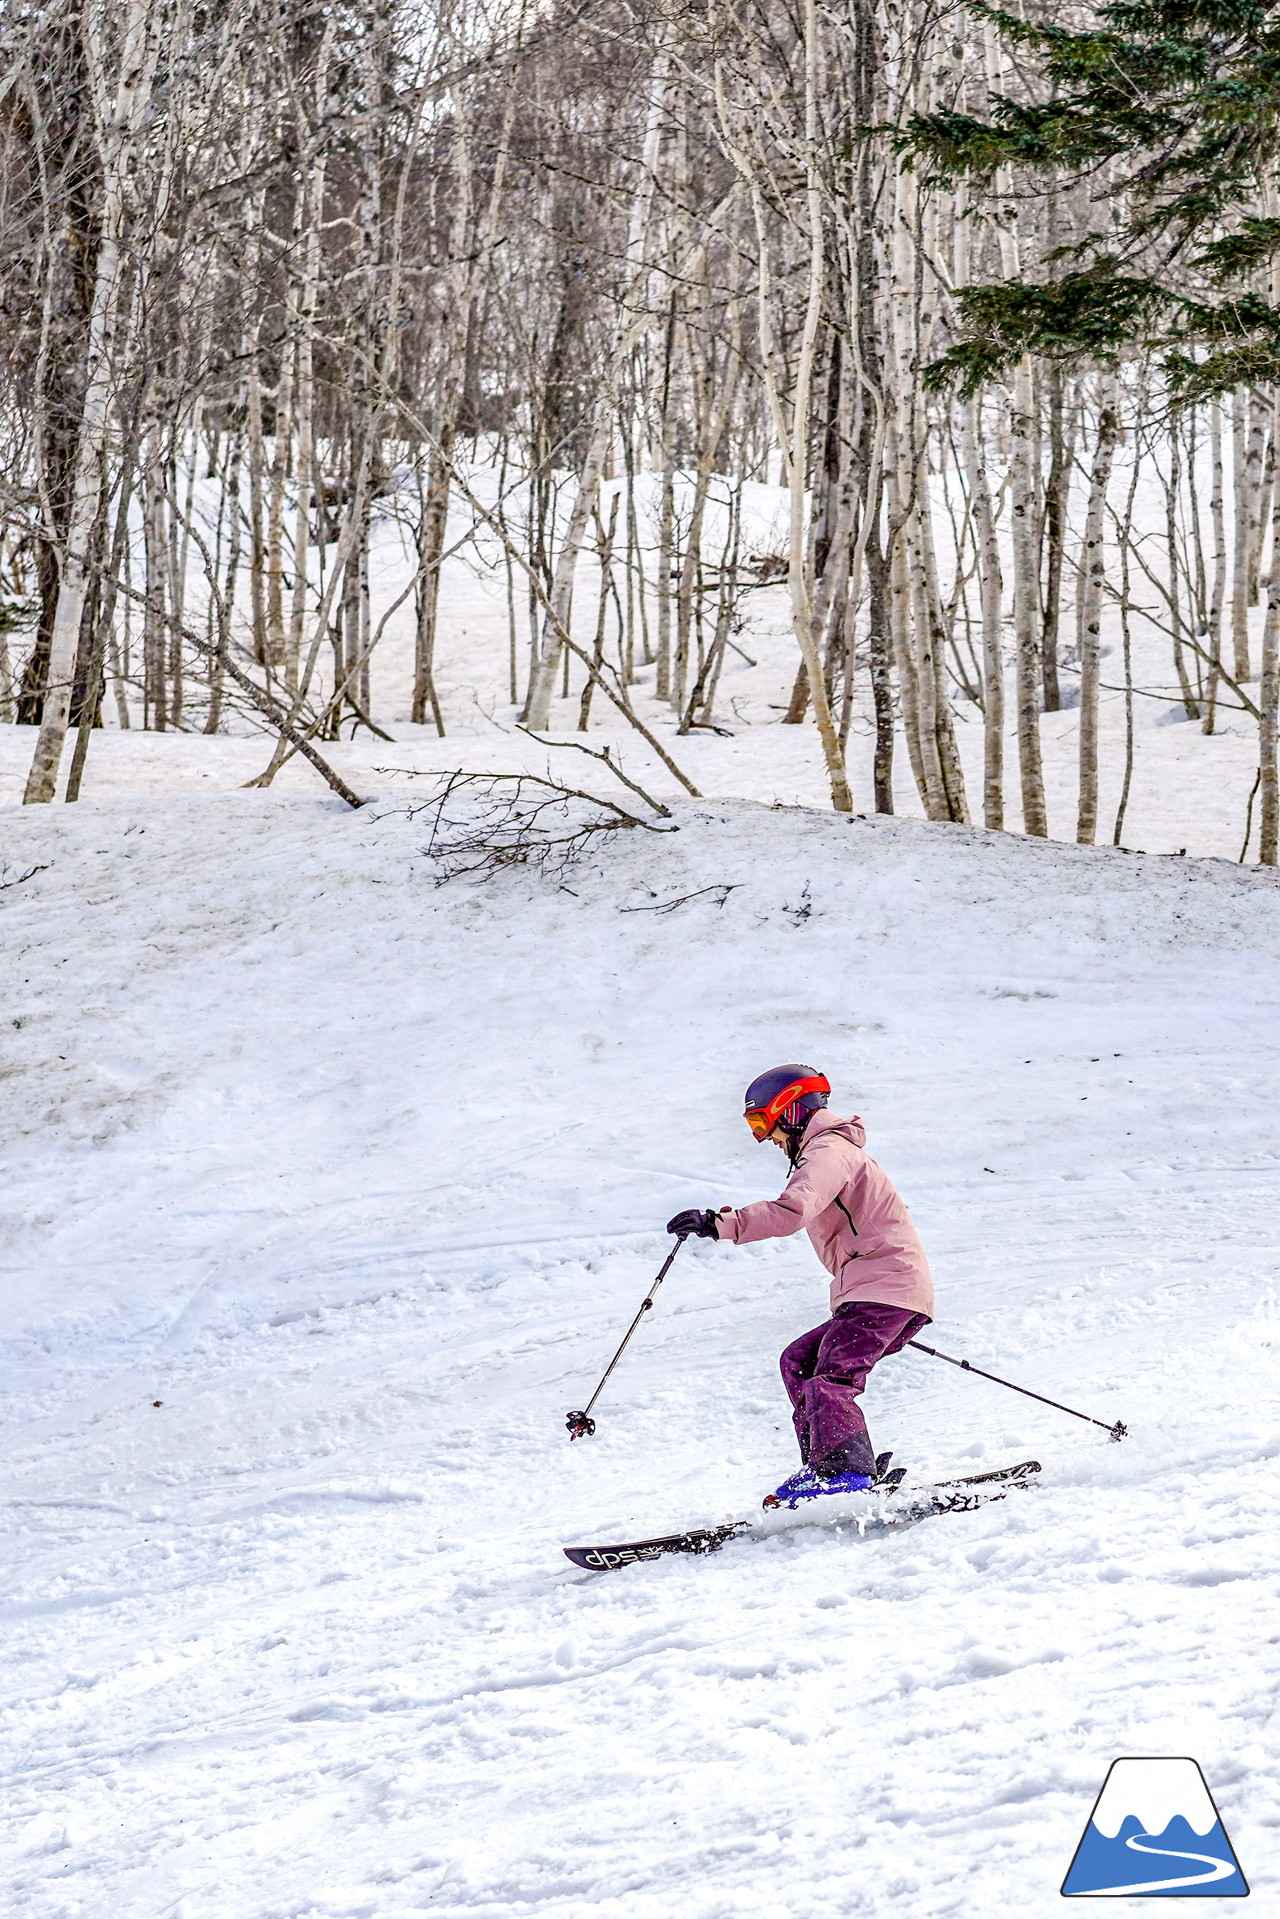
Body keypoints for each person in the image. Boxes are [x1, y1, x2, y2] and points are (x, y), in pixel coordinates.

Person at [667, 1064, 934, 1508]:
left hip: (886, 1286)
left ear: (788, 1109)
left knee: (831, 1377)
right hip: (875, 1287)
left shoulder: (828, 1151)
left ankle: (846, 1472)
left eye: (762, 1124)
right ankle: (826, 1466)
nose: (765, 1138)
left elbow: (792, 1211)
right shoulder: (827, 1150)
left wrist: (720, 1224)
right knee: (799, 1361)